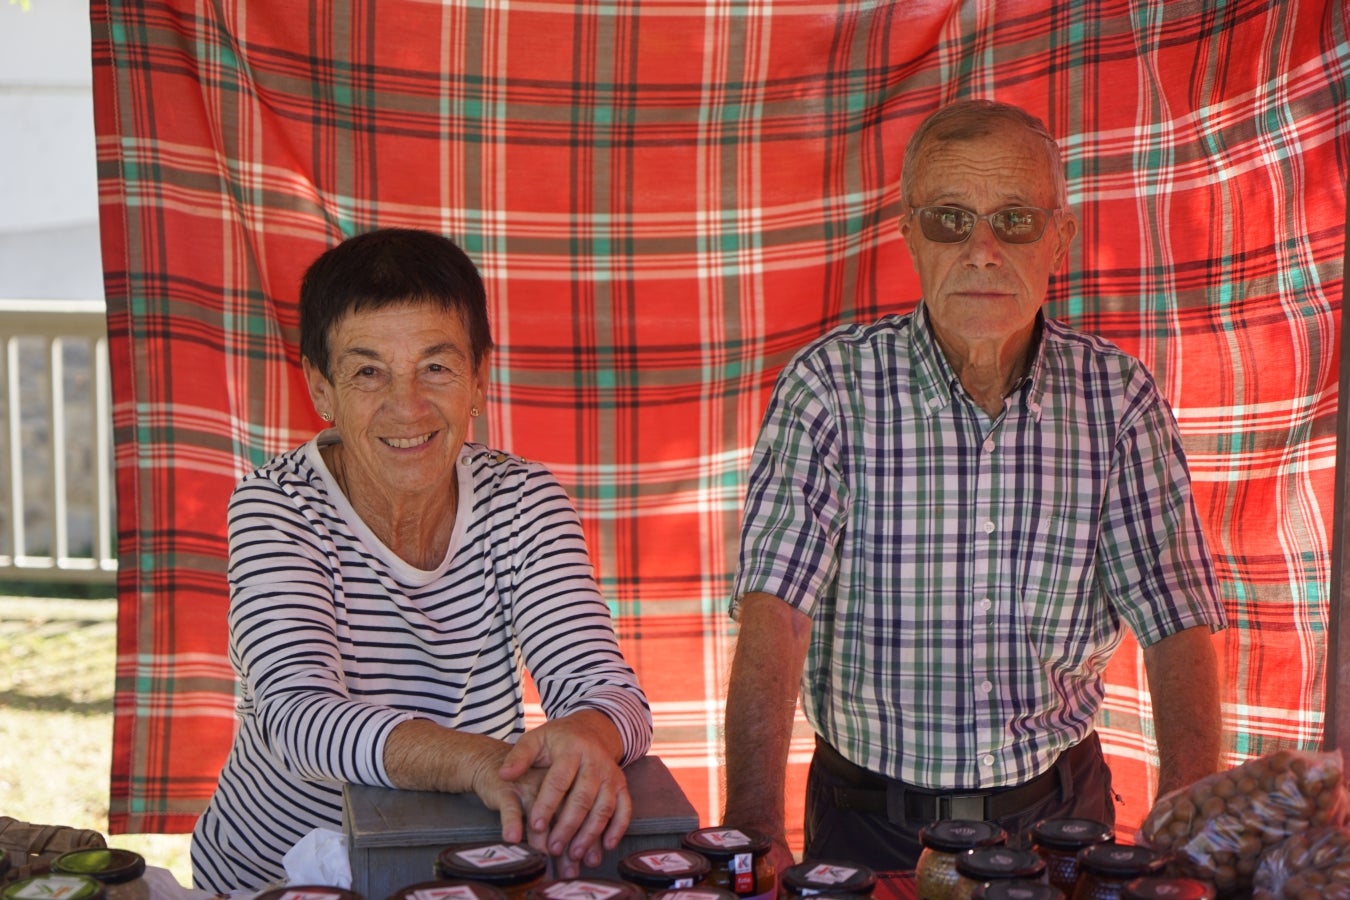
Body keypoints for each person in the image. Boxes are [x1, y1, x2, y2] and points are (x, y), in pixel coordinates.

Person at [721, 99, 1227, 873]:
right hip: (869, 824)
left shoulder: (1117, 398)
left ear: (1061, 238)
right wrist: (752, 822)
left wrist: (1191, 806)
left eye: (1015, 220)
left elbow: (1174, 616)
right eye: (950, 219)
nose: (982, 250)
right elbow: (775, 613)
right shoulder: (828, 387)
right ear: (909, 236)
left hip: (1060, 818)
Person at [190, 228, 653, 892]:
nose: (406, 406)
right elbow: (299, 715)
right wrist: (477, 763)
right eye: (368, 371)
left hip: (454, 865)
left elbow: (612, 693)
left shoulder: (522, 499)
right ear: (322, 391)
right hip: (273, 876)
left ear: (478, 380)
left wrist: (589, 733)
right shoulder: (276, 505)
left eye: (435, 366)